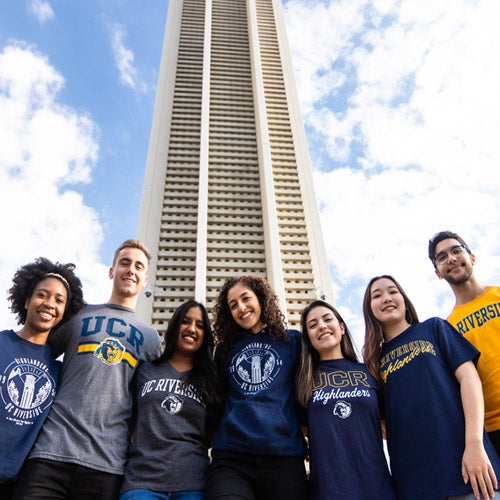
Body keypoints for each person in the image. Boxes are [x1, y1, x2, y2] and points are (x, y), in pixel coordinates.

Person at [13, 239, 162, 500]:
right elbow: (37, 355)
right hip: (50, 452)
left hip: (106, 464)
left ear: (145, 278)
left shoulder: (150, 338)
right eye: (124, 263)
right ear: (111, 270)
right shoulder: (77, 316)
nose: (131, 270)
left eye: (139, 266)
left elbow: (147, 404)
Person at [363, 274, 500, 500]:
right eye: (376, 296)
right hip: (414, 484)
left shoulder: (434, 328)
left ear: (404, 299)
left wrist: (474, 444)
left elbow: (469, 379)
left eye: (392, 291)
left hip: (468, 470)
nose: (386, 298)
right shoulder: (372, 363)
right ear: (369, 309)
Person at [205, 275, 309, 500]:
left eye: (246, 298)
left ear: (260, 298)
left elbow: (304, 392)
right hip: (232, 458)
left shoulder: (292, 341)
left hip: (284, 457)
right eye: (233, 305)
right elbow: (218, 399)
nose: (241, 308)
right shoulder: (225, 350)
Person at [120, 300, 221, 499]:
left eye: (199, 325)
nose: (192, 329)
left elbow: (212, 433)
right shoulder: (145, 371)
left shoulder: (210, 379)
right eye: (185, 321)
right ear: (175, 326)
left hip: (193, 485)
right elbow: (130, 422)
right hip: (141, 482)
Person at [0, 258, 84, 498]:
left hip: (20, 482)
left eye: (59, 300)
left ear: (64, 314)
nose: (49, 304)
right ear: (26, 300)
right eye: (42, 295)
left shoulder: (60, 370)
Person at [296, 299, 396, 500]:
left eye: (327, 319)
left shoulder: (369, 372)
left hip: (377, 487)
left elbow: (388, 425)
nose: (322, 326)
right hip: (328, 490)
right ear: (308, 338)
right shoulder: (303, 382)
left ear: (341, 327)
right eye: (313, 325)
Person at [428, 230, 500, 457]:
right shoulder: (446, 329)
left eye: (456, 250)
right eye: (441, 257)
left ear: (472, 257)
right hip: (491, 431)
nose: (450, 258)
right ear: (438, 273)